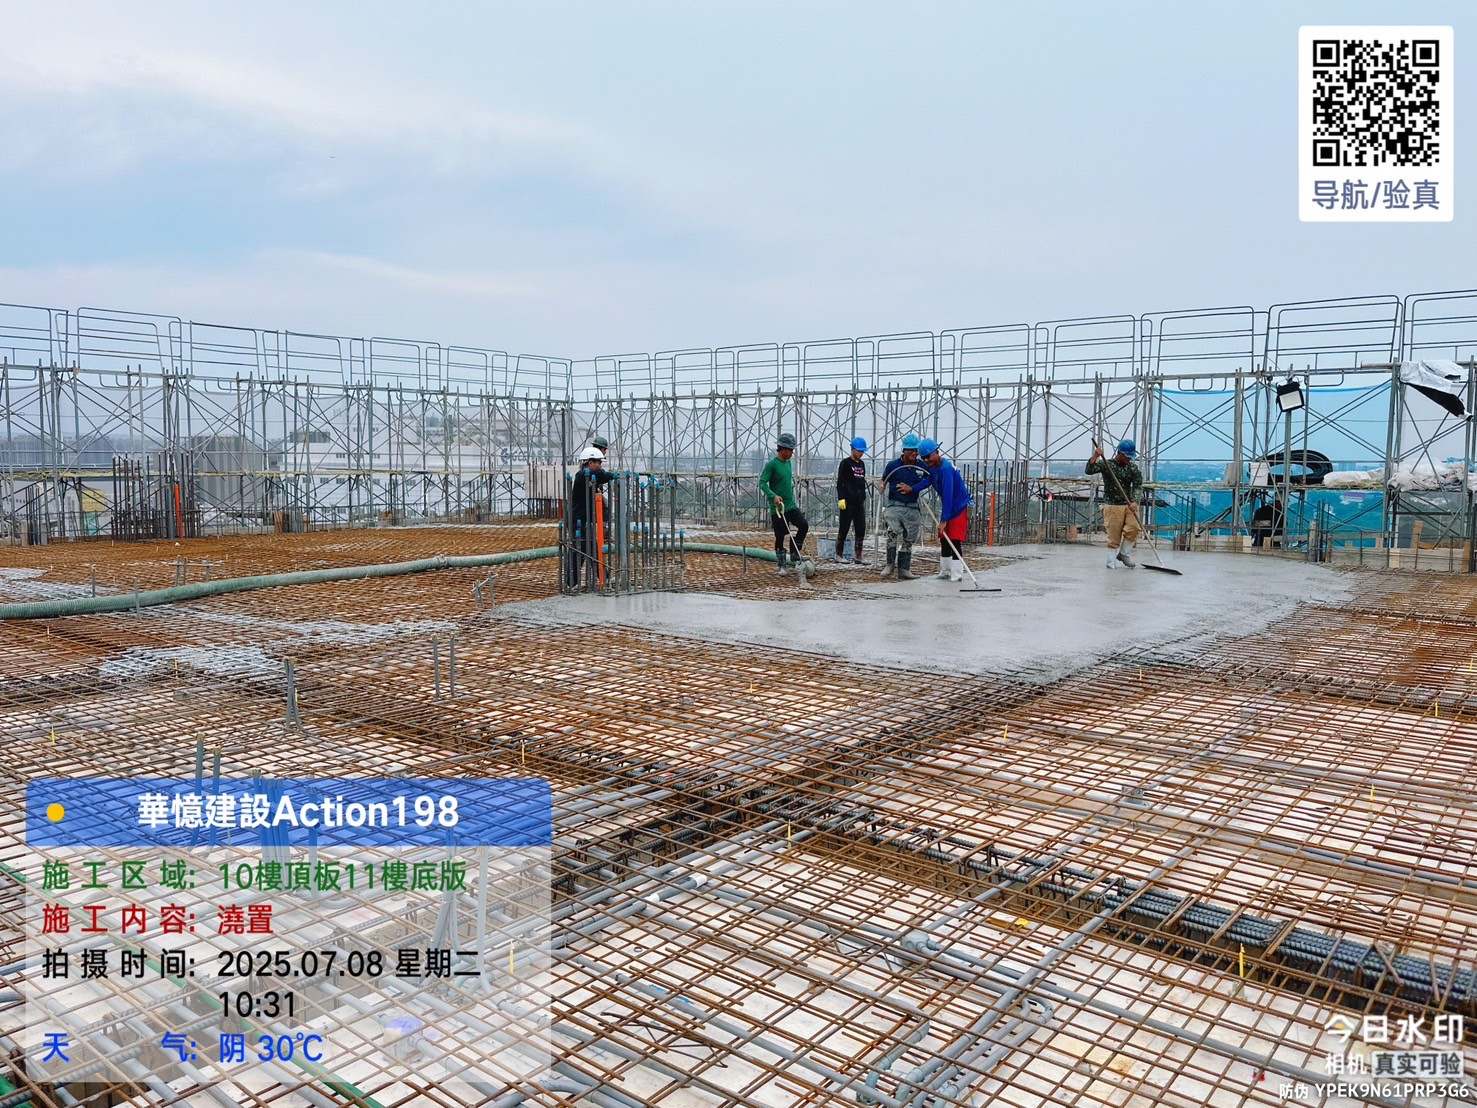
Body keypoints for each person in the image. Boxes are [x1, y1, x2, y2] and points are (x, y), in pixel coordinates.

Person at [876, 433, 932, 580]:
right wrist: (881, 486)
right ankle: (889, 564)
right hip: (895, 505)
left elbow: (931, 479)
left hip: (912, 506)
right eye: (910, 450)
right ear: (904, 450)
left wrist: (913, 488)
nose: (914, 453)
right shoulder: (893, 465)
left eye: (916, 450)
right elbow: (883, 480)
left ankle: (904, 569)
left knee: (910, 537)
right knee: (892, 532)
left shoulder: (921, 466)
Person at [919, 439, 971, 581]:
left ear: (937, 452)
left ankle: (957, 574)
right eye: (923, 458)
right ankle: (945, 571)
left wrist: (944, 520)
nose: (926, 460)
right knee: (944, 539)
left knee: (954, 539)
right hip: (948, 507)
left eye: (928, 457)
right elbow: (927, 481)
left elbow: (948, 495)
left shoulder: (946, 469)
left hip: (958, 507)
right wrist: (912, 489)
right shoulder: (932, 467)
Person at [1086, 439, 1143, 568]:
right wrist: (1095, 456)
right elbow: (1089, 470)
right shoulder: (1107, 465)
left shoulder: (1132, 468)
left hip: (1129, 505)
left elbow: (1138, 485)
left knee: (1134, 528)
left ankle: (1123, 554)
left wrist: (1135, 500)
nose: (1129, 459)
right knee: (1114, 536)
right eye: (1127, 456)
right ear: (1120, 453)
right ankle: (1110, 564)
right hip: (1112, 505)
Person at [565, 446, 615, 589]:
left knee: (591, 547)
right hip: (577, 521)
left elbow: (602, 475)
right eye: (598, 462)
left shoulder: (590, 476)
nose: (600, 466)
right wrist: (610, 474)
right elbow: (601, 474)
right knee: (579, 549)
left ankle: (602, 577)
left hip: (585, 520)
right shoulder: (581, 476)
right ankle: (571, 582)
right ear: (589, 462)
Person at [760, 432, 809, 575]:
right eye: (790, 450)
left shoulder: (788, 463)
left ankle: (794, 552)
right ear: (782, 449)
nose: (792, 453)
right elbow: (762, 483)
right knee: (780, 535)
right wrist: (773, 496)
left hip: (790, 505)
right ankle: (781, 565)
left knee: (803, 525)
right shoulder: (772, 465)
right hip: (778, 508)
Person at [834, 437, 868, 563]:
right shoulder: (846, 463)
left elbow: (861, 482)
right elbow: (840, 482)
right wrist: (841, 498)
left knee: (860, 528)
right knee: (844, 528)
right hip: (847, 501)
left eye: (862, 451)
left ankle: (858, 555)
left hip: (859, 501)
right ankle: (838, 554)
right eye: (859, 451)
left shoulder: (861, 464)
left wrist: (862, 496)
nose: (861, 453)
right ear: (853, 449)